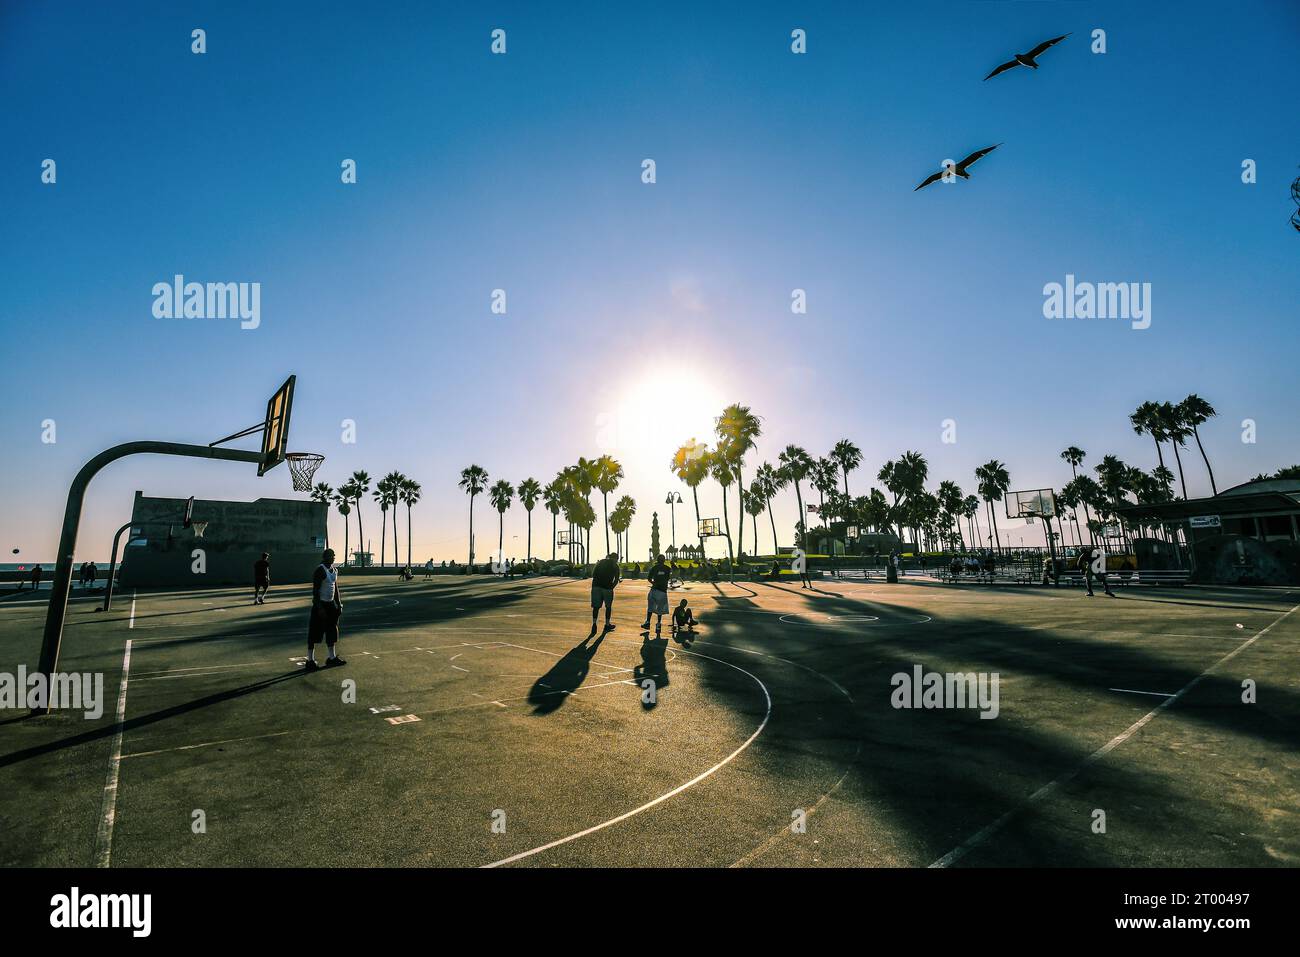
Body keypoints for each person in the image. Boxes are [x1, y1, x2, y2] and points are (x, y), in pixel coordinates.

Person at [306, 549, 345, 671]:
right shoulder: (320, 570)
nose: (333, 557)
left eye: (334, 555)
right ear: (325, 557)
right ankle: (310, 660)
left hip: (330, 605)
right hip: (320, 605)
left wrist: (339, 604)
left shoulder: (334, 570)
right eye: (331, 556)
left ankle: (331, 658)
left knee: (332, 630)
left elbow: (335, 588)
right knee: (314, 632)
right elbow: (315, 591)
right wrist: (320, 608)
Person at [590, 551, 620, 635]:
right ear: (615, 558)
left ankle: (594, 623)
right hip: (607, 588)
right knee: (608, 607)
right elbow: (616, 579)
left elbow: (593, 574)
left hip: (596, 586)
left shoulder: (600, 562)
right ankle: (607, 624)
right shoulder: (615, 566)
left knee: (596, 607)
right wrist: (611, 587)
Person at [642, 554, 671, 633]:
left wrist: (653, 583)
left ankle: (648, 622)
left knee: (650, 606)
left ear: (657, 560)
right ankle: (658, 625)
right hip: (663, 591)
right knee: (660, 608)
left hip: (654, 590)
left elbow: (649, 578)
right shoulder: (668, 569)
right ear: (664, 560)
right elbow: (668, 578)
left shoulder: (654, 568)